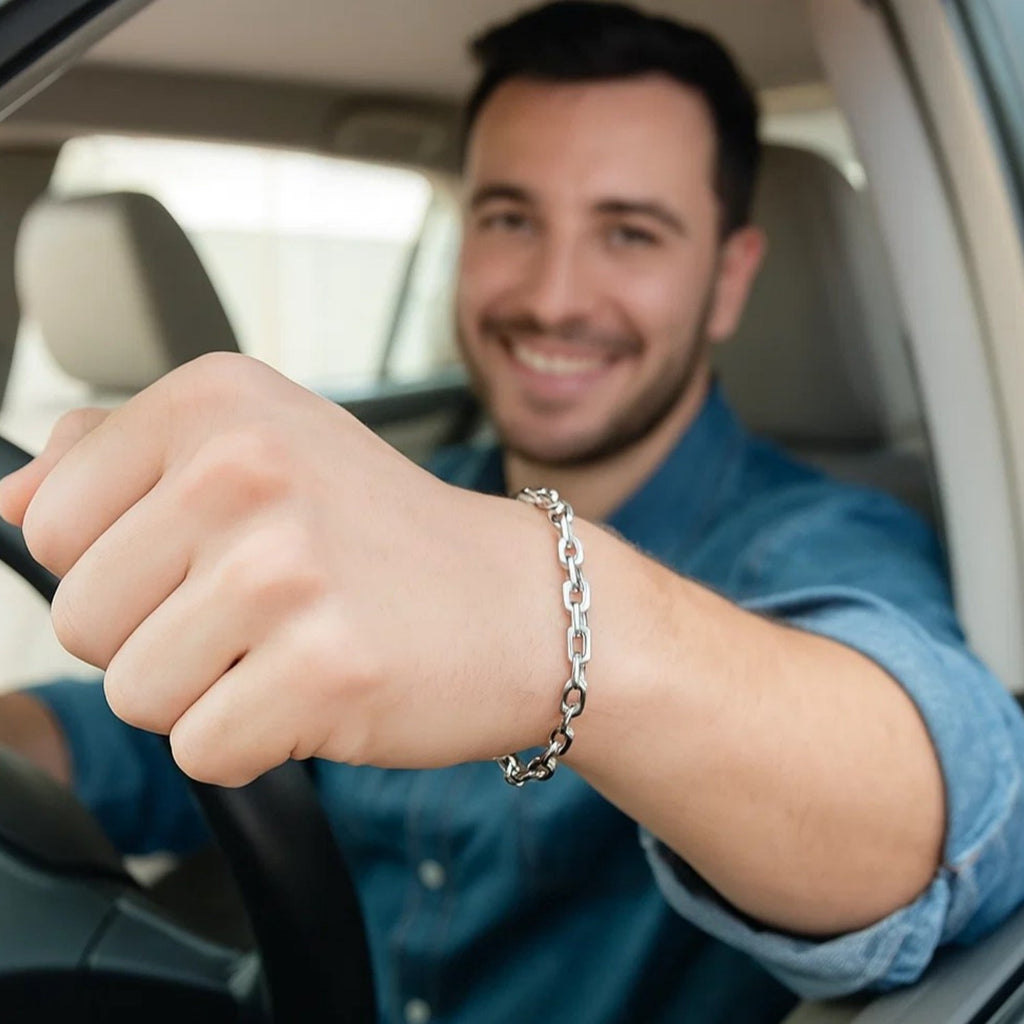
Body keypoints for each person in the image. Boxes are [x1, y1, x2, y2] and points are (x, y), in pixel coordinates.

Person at [1, 2, 1023, 1021]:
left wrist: (544, 614)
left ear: (727, 280)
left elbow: (955, 813)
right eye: (510, 219)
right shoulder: (409, 492)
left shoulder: (814, 539)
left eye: (630, 233)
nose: (554, 296)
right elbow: (154, 723)